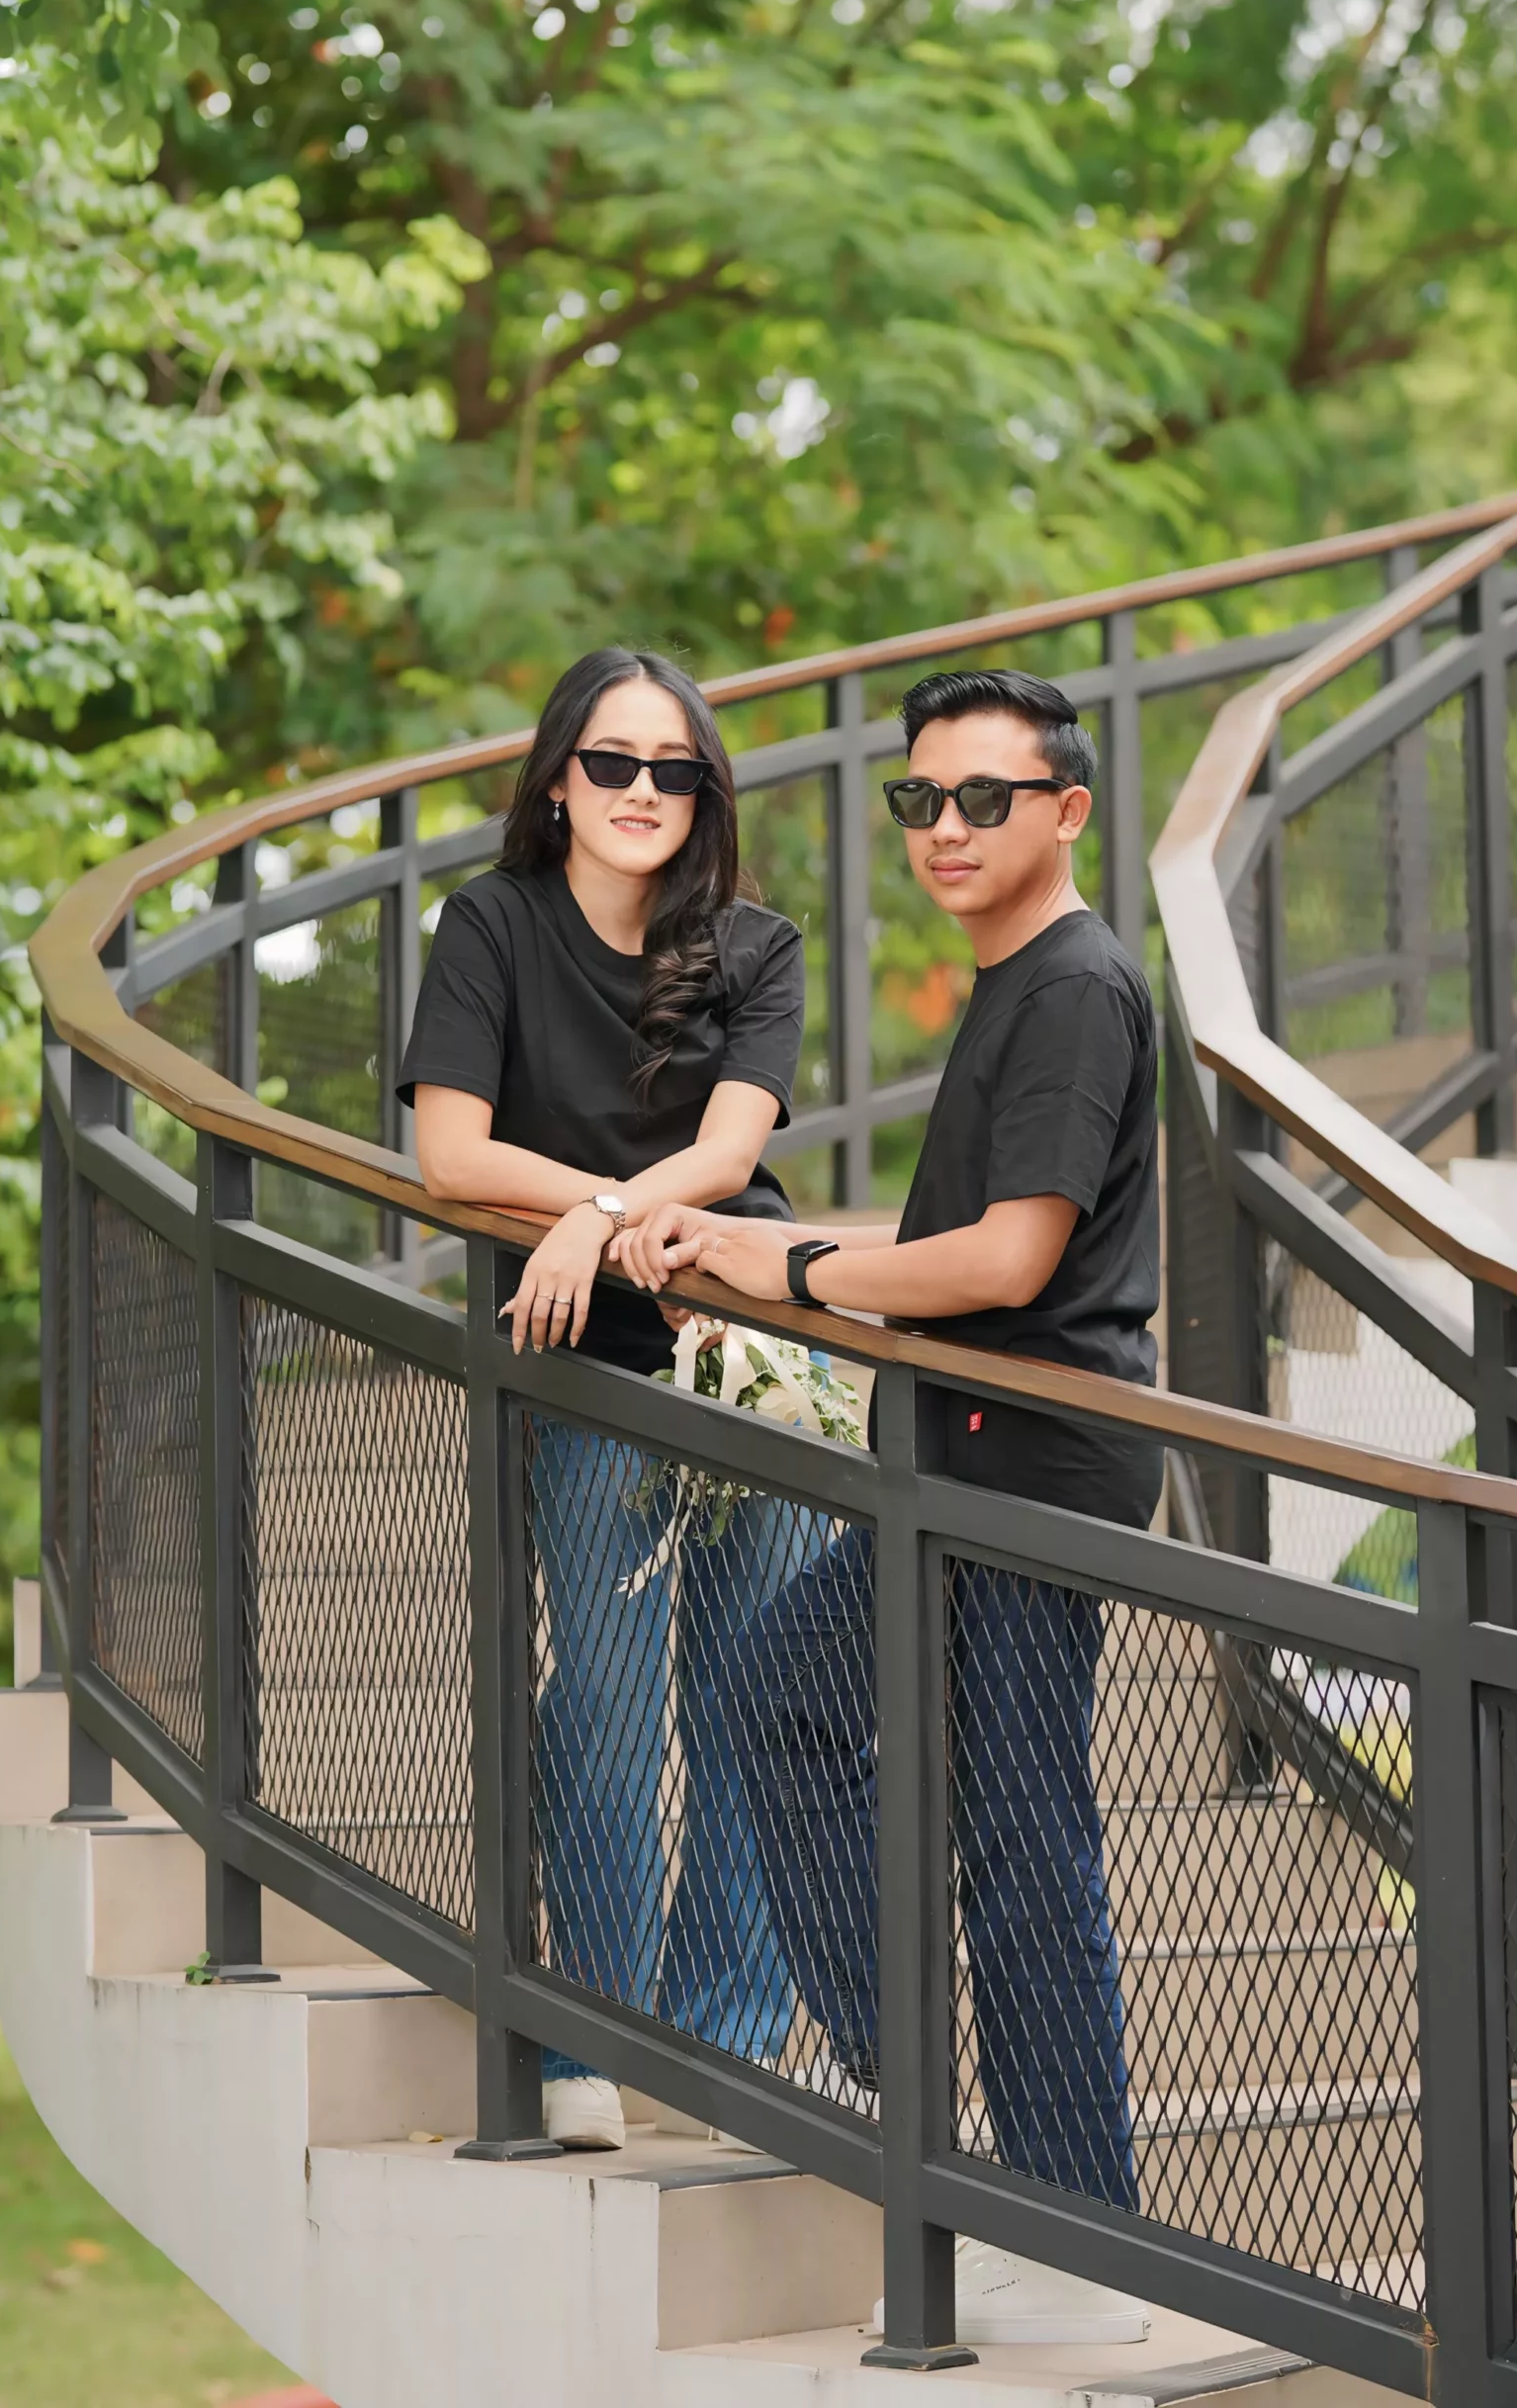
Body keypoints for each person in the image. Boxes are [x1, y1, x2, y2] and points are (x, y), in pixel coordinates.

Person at [613, 668, 1161, 2342]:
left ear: (1066, 811)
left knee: (1021, 1833)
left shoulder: (1073, 989)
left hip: (1027, 1457)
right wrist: (767, 1253)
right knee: (794, 1703)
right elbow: (957, 1250)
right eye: (920, 799)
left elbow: (1007, 1261)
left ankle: (1081, 2243)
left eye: (984, 799)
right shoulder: (1016, 985)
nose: (944, 828)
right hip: (971, 1453)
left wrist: (789, 1267)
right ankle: (902, 2075)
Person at [401, 645, 808, 2153]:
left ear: (705, 793)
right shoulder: (490, 925)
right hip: (578, 1357)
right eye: (612, 762)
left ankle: (727, 2042)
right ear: (559, 780)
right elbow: (451, 1155)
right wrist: (593, 1222)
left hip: (741, 1349)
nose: (643, 790)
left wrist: (590, 1213)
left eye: (673, 769)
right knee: (604, 1706)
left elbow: (729, 1157)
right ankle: (588, 2038)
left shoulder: (757, 945)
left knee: (759, 1700)